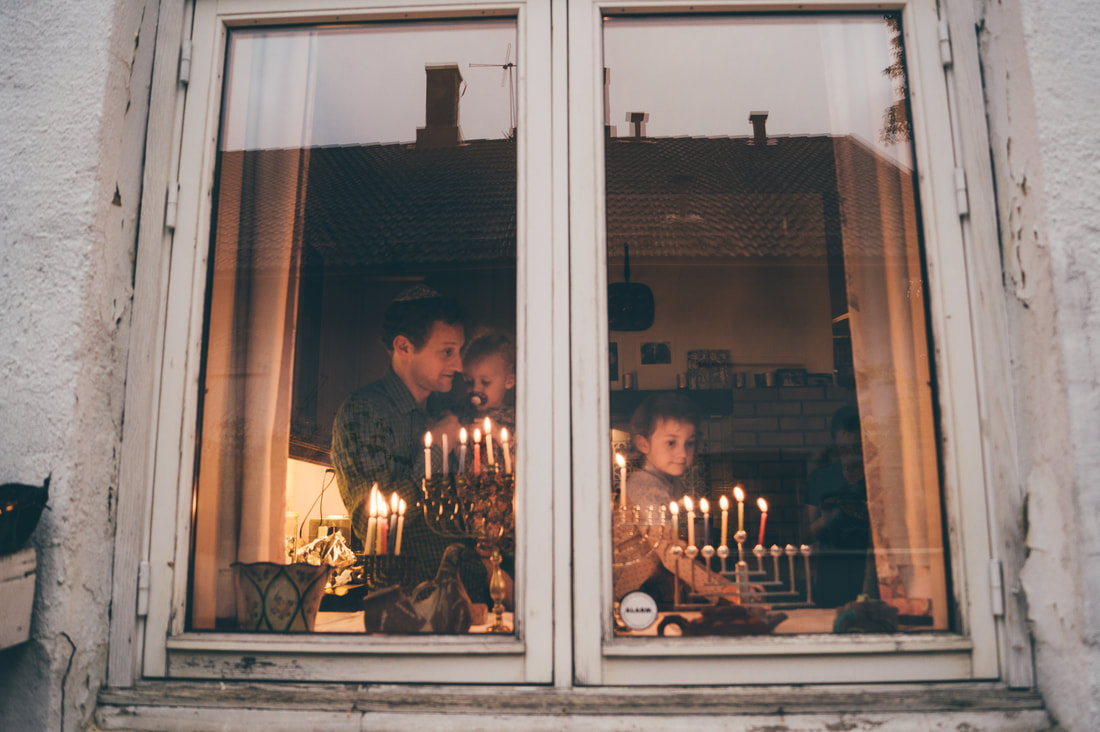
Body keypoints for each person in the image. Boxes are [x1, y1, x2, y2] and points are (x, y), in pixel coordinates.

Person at [331, 285, 489, 605]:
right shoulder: (364, 411)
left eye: (459, 351)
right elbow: (370, 525)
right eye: (447, 351)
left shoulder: (444, 413)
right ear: (403, 347)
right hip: (411, 610)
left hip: (473, 600)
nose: (459, 365)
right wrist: (432, 452)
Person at [613, 393, 735, 605]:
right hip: (636, 597)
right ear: (643, 444)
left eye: (689, 443)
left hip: (658, 589)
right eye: (671, 443)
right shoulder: (645, 487)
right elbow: (670, 552)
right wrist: (722, 589)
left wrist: (721, 582)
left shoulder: (666, 483)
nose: (682, 453)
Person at [804, 405, 875, 608]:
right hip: (832, 572)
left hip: (870, 569)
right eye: (843, 449)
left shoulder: (879, 475)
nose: (850, 456)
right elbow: (805, 536)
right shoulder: (821, 478)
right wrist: (826, 519)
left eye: (857, 448)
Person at [462, 333, 516, 436]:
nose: (475, 388)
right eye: (469, 382)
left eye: (485, 382)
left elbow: (519, 448)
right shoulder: (462, 414)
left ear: (509, 381)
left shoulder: (514, 418)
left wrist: (497, 432)